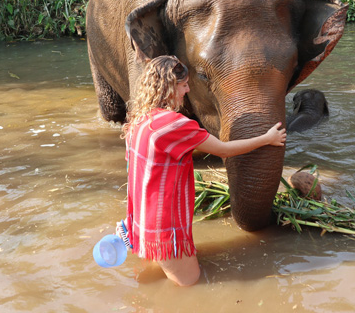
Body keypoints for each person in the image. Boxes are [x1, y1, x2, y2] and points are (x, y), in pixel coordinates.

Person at [121, 55, 286, 286]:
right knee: (190, 287)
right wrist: (267, 139)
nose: (188, 90)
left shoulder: (140, 120)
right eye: (184, 84)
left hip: (141, 223)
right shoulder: (175, 125)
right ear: (169, 87)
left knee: (152, 282)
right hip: (166, 231)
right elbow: (224, 150)